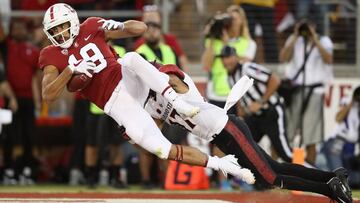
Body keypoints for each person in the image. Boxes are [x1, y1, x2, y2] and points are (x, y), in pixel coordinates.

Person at [38, 3, 253, 184]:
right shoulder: (50, 54)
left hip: (125, 79)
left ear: (73, 21)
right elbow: (48, 94)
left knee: (131, 58)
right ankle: (224, 164)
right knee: (160, 149)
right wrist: (70, 70)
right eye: (55, 30)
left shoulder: (91, 26)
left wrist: (120, 26)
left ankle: (177, 102)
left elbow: (139, 28)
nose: (60, 34)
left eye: (63, 27)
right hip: (115, 105)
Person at [143, 64, 352, 203]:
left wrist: (146, 74)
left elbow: (167, 79)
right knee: (275, 168)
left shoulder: (167, 76)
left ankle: (330, 190)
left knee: (270, 178)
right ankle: (334, 177)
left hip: (226, 128)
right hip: (221, 136)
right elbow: (155, 129)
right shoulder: (154, 103)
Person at [220, 45, 313, 168]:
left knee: (285, 153)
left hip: (272, 111)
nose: (226, 61)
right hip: (256, 117)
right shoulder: (229, 76)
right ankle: (259, 181)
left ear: (235, 57)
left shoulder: (248, 68)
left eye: (228, 57)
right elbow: (238, 96)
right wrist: (240, 113)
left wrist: (261, 101)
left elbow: (274, 79)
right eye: (223, 58)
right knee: (244, 147)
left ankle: (322, 177)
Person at [279, 19, 333, 165]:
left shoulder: (324, 40)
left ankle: (309, 172)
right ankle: (285, 171)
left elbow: (328, 59)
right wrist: (296, 36)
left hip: (314, 91)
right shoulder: (294, 39)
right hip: (294, 91)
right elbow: (283, 58)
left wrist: (314, 38)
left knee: (311, 136)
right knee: (286, 133)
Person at [0, 18, 41, 185]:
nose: (18, 31)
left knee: (29, 136)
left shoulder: (33, 50)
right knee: (9, 136)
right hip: (9, 99)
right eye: (15, 28)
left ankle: (27, 169)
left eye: (21, 28)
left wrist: (38, 100)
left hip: (27, 99)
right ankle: (9, 170)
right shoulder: (6, 47)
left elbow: (34, 78)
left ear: (27, 30)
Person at [134, 4, 190, 72]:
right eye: (148, 18)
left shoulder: (170, 41)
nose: (152, 32)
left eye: (153, 17)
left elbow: (182, 60)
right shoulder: (139, 45)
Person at [323, 86, 360, 171]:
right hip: (338, 142)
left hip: (350, 147)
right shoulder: (348, 103)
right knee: (339, 174)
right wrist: (352, 102)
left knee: (349, 178)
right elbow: (338, 118)